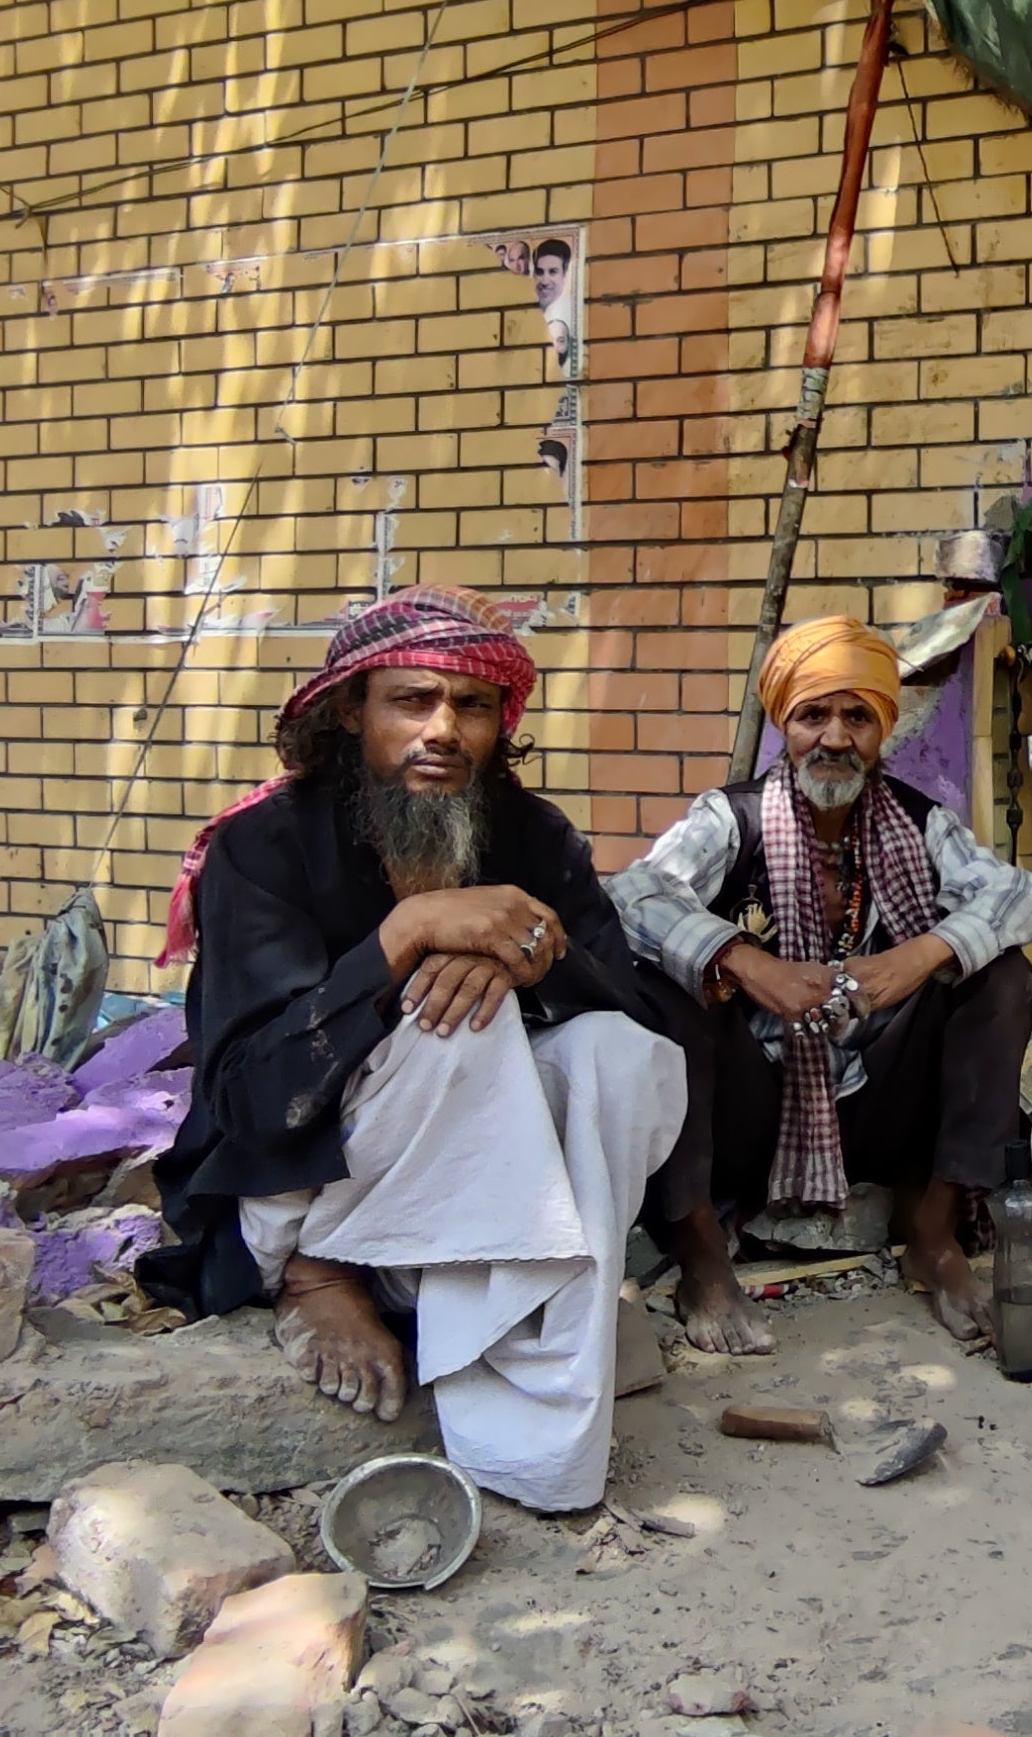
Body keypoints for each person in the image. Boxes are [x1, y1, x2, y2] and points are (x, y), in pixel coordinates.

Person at [142, 584, 693, 1513]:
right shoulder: (263, 847)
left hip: (470, 1181)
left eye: (471, 706)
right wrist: (409, 934)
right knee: (453, 1023)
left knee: (617, 1055)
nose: (443, 729)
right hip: (308, 1189)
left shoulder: (528, 832)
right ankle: (320, 1277)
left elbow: (634, 1002)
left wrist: (528, 964)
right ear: (353, 711)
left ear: (498, 724)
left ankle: (537, 1435)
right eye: (412, 701)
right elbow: (247, 1092)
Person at [609, 615, 1032, 1354]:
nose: (836, 739)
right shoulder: (734, 818)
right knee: (666, 991)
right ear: (786, 725)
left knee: (1000, 975)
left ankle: (934, 1236)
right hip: (757, 1109)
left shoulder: (919, 822)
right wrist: (744, 961)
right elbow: (632, 897)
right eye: (814, 716)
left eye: (858, 717)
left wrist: (925, 953)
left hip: (875, 1103)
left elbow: (1022, 896)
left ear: (882, 729)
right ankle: (702, 1256)